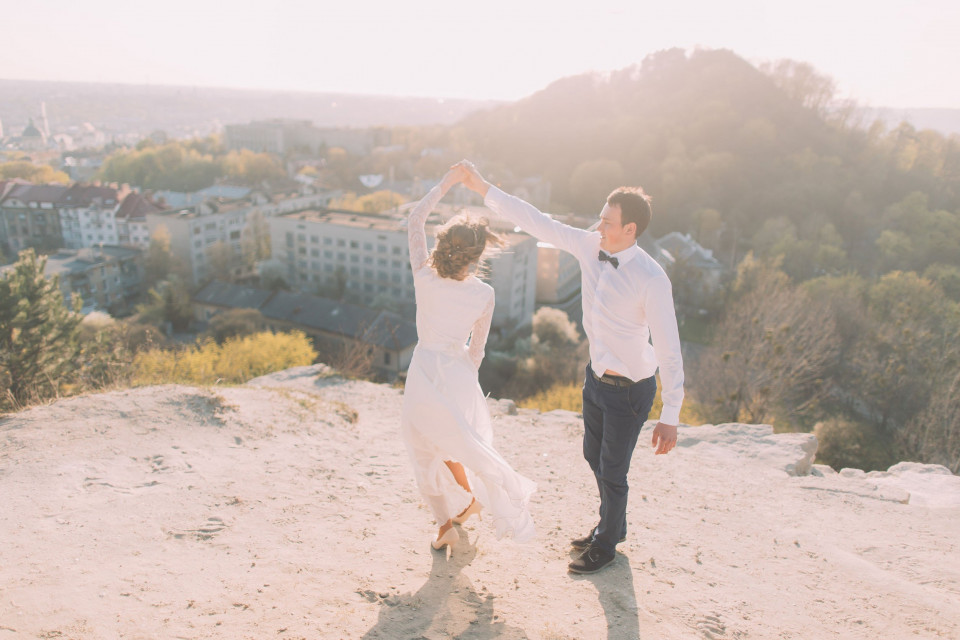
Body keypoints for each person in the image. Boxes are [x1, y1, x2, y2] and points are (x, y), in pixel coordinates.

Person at [457, 160, 684, 574]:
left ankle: (607, 543)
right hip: (595, 379)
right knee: (592, 457)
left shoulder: (652, 279)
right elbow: (537, 220)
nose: (598, 226)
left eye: (607, 221)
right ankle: (611, 526)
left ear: (630, 229)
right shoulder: (588, 246)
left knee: (613, 470)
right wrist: (485, 188)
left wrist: (671, 415)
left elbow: (669, 349)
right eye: (599, 217)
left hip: (631, 389)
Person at [400, 167, 536, 551]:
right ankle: (469, 501)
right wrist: (461, 379)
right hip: (458, 372)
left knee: (423, 444)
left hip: (425, 368)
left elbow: (415, 219)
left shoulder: (423, 274)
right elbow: (477, 351)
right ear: (477, 256)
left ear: (443, 244)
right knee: (454, 440)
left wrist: (445, 184)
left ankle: (446, 524)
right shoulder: (484, 295)